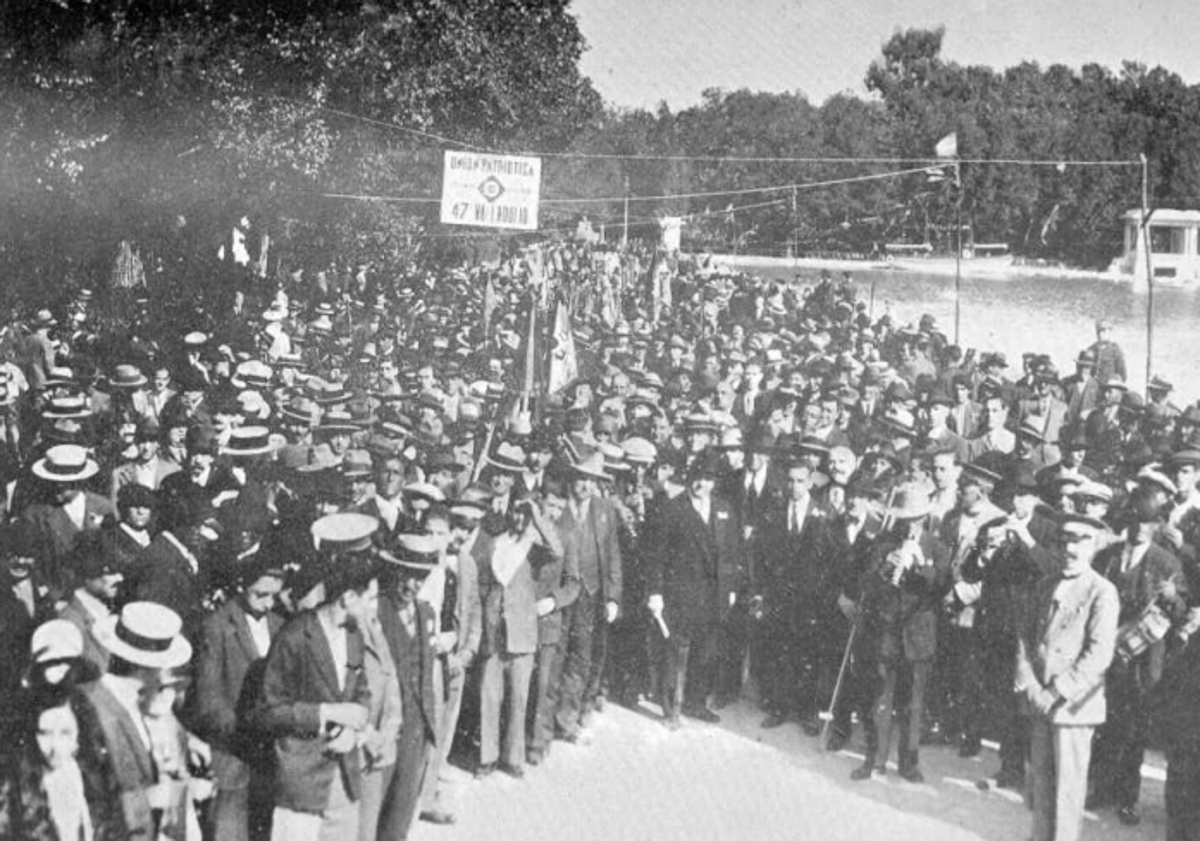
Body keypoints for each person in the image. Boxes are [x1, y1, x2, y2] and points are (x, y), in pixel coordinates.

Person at [258, 513, 375, 841]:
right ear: (348, 598)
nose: (373, 608)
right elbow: (268, 711)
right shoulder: (295, 637)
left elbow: (361, 691)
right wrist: (328, 714)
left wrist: (356, 726)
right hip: (301, 785)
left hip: (344, 781)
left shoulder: (354, 634)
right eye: (370, 599)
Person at [1015, 512, 1119, 841]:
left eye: (1079, 542)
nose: (1070, 550)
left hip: (1072, 707)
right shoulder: (1045, 585)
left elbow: (1099, 655)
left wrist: (1056, 691)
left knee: (1067, 793)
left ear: (1094, 548)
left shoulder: (1102, 591)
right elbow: (1024, 638)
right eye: (1064, 542)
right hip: (1040, 700)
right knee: (1040, 786)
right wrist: (1030, 685)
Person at [852, 485, 949, 783]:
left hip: (918, 637)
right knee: (880, 698)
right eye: (906, 520)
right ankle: (874, 758)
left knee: (913, 703)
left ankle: (909, 763)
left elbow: (943, 588)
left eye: (916, 519)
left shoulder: (936, 547)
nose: (910, 526)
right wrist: (885, 567)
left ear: (924, 519)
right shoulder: (884, 543)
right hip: (887, 632)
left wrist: (922, 567)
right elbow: (865, 585)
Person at [77, 601, 194, 840]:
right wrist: (149, 798)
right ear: (151, 668)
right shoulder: (91, 707)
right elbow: (84, 798)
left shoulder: (135, 703)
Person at [190, 555, 286, 841]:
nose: (268, 603)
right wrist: (245, 735)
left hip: (269, 756)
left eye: (274, 596)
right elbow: (209, 700)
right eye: (261, 594)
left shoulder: (279, 625)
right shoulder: (216, 626)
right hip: (231, 752)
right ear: (243, 585)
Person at [646, 449, 744, 729]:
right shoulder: (672, 509)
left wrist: (733, 587)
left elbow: (734, 552)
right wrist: (655, 592)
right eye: (698, 478)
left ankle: (696, 702)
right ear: (691, 478)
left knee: (706, 651)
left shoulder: (725, 509)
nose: (702, 485)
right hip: (682, 594)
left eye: (709, 479)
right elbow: (657, 556)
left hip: (715, 596)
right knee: (676, 652)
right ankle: (671, 707)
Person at [474, 492, 565, 779]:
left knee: (518, 697)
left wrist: (537, 515)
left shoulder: (534, 548)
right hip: (493, 630)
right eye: (516, 511)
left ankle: (512, 758)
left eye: (525, 514)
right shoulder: (495, 543)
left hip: (522, 632)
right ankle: (487, 757)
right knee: (490, 696)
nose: (519, 518)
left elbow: (557, 550)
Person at [554, 452, 623, 742]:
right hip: (560, 594)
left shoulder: (604, 510)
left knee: (582, 657)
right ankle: (551, 720)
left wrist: (613, 597)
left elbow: (613, 555)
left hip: (591, 595)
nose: (584, 485)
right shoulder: (557, 508)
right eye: (580, 478)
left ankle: (571, 717)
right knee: (556, 655)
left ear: (597, 484)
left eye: (590, 480)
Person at [375, 533, 440, 841]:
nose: (412, 585)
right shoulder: (376, 612)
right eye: (408, 575)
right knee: (374, 805)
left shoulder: (427, 613)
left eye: (421, 578)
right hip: (385, 724)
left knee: (401, 809)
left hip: (416, 725)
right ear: (395, 570)